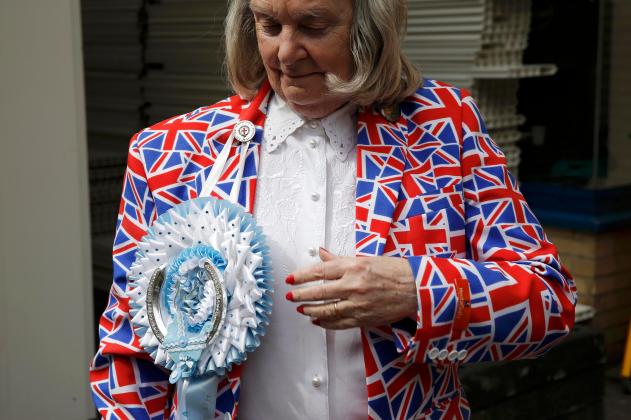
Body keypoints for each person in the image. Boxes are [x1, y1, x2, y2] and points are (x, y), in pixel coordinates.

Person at [89, 0, 577, 418]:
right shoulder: (171, 154)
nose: (285, 51)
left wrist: (416, 292)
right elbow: (128, 351)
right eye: (268, 24)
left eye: (314, 26)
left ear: (369, 24)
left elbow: (550, 303)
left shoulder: (444, 130)